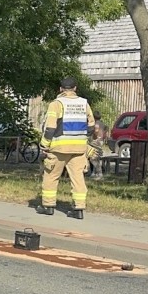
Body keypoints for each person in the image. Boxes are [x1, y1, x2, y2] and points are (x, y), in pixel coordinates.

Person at [37, 76, 95, 219]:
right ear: (75, 88)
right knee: (78, 178)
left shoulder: (56, 104)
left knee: (51, 176)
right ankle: (78, 209)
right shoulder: (84, 104)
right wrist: (81, 138)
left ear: (61, 89)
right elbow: (92, 126)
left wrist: (44, 144)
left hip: (59, 149)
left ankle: (48, 206)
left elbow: (50, 128)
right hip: (79, 149)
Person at [87, 110, 109, 180]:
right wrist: (104, 135)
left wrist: (93, 136)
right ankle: (94, 173)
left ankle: (99, 174)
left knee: (93, 158)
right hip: (101, 141)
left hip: (95, 142)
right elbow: (106, 128)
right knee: (96, 158)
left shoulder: (96, 123)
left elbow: (96, 131)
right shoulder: (101, 123)